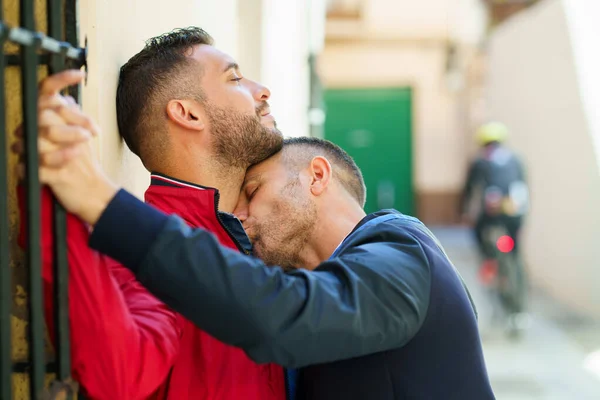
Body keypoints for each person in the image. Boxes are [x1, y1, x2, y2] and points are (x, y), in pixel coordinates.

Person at [30, 77, 496, 398]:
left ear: (317, 176)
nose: (241, 215)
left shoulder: (403, 252)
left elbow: (286, 315)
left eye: (251, 192)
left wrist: (103, 205)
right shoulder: (315, 288)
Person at [17, 27, 288, 400]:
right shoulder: (142, 254)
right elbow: (119, 375)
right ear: (188, 114)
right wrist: (50, 188)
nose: (262, 90)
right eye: (235, 78)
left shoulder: (268, 233)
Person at [459, 121, 529, 320]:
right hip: (514, 219)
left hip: (489, 220)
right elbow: (523, 190)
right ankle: (520, 310)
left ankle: (488, 268)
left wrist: (463, 212)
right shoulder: (516, 160)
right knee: (515, 256)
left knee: (486, 253)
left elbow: (469, 191)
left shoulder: (479, 161)